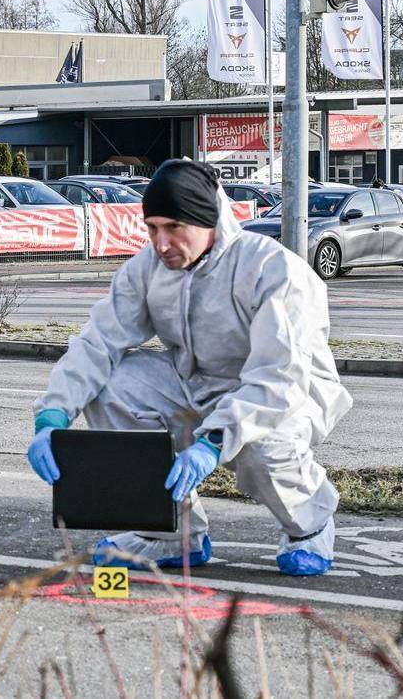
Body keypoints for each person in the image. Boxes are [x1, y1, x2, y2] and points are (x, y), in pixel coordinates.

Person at [25, 160, 352, 576]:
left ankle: (310, 525)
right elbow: (98, 342)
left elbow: (278, 377)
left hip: (288, 392)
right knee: (111, 386)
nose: (161, 243)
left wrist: (213, 443)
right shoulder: (149, 268)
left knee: (263, 445)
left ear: (207, 219)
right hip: (197, 384)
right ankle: (170, 531)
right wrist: (52, 415)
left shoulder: (272, 270)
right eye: (152, 228)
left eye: (174, 227)